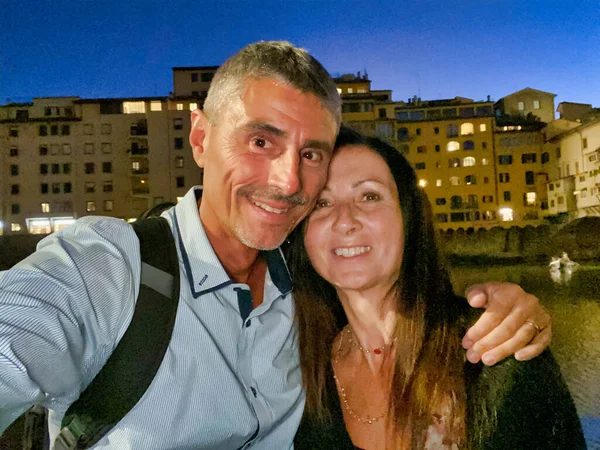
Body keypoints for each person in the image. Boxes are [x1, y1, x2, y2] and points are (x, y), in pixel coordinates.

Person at [0, 41, 550, 449]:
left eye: (311, 154)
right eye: (261, 140)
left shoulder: (309, 294)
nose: (289, 182)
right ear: (200, 139)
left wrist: (509, 310)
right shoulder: (108, 269)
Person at [290, 127, 584, 449]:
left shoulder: (496, 347)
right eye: (321, 203)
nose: (344, 220)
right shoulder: (298, 368)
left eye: (369, 196)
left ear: (409, 218)